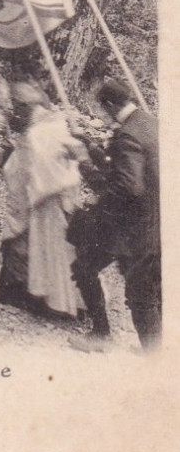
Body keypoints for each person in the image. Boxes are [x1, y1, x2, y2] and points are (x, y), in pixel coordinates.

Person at [68, 78, 161, 350]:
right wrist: (93, 148)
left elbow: (127, 185)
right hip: (154, 220)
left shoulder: (127, 136)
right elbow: (124, 167)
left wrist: (87, 170)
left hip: (128, 226)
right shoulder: (148, 123)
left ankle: (103, 335)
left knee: (87, 269)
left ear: (109, 104)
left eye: (103, 108)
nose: (104, 114)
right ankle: (155, 348)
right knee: (149, 288)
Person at [0, 83, 87, 320]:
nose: (17, 113)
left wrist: (14, 171)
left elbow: (34, 168)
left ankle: (49, 301)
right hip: (56, 197)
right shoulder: (55, 123)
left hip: (44, 201)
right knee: (55, 252)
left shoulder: (38, 132)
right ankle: (64, 301)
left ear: (28, 106)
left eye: (19, 108)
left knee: (43, 250)